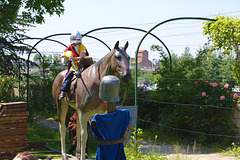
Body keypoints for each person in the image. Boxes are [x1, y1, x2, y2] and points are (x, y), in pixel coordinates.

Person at [91, 76, 131, 160]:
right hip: (118, 151)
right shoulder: (125, 114)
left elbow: (96, 136)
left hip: (104, 153)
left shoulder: (97, 119)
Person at [59, 31, 88, 99]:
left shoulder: (82, 46)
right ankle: (63, 91)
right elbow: (66, 53)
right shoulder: (70, 47)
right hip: (74, 67)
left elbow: (81, 58)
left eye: (77, 39)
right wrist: (63, 56)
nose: (76, 41)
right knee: (68, 77)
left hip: (83, 65)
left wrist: (74, 58)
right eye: (75, 39)